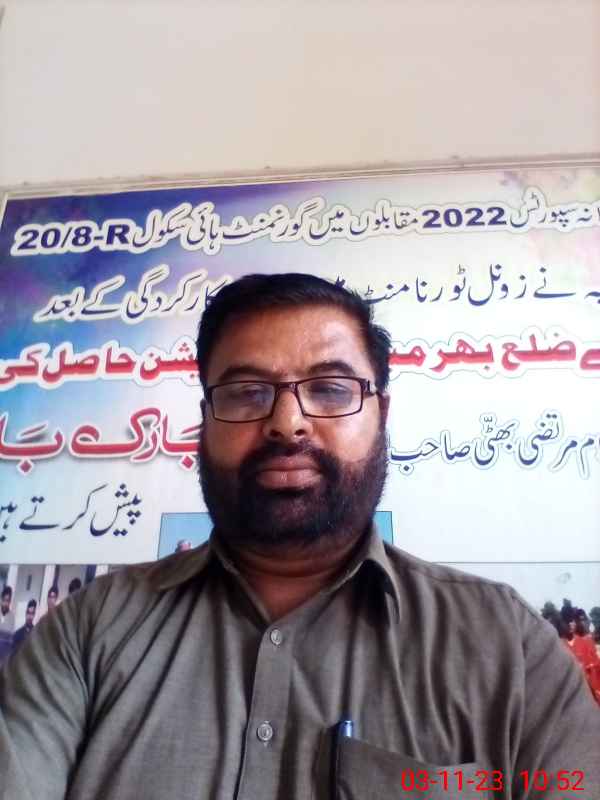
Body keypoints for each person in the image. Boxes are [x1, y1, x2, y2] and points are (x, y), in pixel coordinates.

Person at [0, 273, 599, 800]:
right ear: (204, 422)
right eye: (246, 393)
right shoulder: (87, 633)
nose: (287, 424)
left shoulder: (509, 648)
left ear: (382, 415)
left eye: (331, 389)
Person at [0, 585, 14, 664]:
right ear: (1, 599)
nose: (5, 603)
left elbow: (9, 642)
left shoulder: (11, 617)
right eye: (4, 600)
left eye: (8, 601)